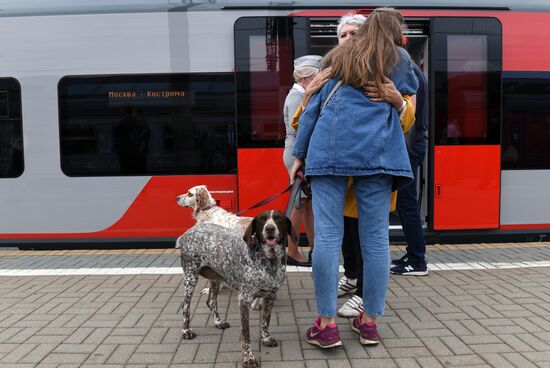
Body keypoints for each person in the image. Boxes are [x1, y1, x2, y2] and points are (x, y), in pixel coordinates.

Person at [291, 8, 418, 348]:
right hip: (378, 158)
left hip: (329, 156)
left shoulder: (336, 58)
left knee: (328, 237)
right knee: (376, 241)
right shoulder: (398, 58)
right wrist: (393, 94)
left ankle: (326, 324)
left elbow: (314, 110)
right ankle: (370, 323)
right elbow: (412, 84)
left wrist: (299, 155)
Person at [390, 61, 430, 275]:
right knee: (407, 204)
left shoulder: (404, 68)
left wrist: (402, 150)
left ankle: (417, 261)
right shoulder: (413, 68)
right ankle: (413, 254)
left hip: (409, 144)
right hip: (414, 143)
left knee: (407, 205)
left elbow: (409, 115)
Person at [283, 55, 322, 266]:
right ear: (306, 79)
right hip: (298, 154)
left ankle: (314, 248)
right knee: (299, 205)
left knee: (307, 204)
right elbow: (299, 129)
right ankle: (292, 251)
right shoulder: (298, 96)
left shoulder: (297, 94)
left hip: (300, 153)